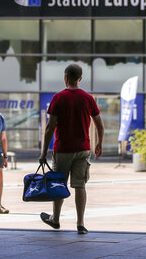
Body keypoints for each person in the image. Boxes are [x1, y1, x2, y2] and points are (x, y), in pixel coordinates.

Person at [38, 64, 105, 235]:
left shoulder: (58, 98)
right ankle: (81, 223)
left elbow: (50, 128)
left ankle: (56, 219)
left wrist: (43, 152)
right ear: (80, 79)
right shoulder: (88, 98)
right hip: (83, 149)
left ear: (65, 77)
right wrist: (99, 143)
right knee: (80, 185)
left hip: (62, 150)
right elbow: (100, 125)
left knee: (58, 184)